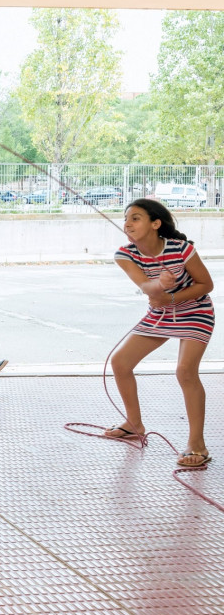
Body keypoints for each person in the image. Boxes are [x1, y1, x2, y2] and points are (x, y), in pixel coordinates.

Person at [104, 199, 214, 468]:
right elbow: (146, 287)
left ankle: (197, 445)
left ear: (155, 224)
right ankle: (134, 424)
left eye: (136, 218)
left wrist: (172, 296)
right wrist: (159, 285)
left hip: (195, 311)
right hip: (161, 313)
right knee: (120, 362)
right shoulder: (125, 254)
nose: (128, 223)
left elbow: (206, 284)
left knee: (185, 372)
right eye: (126, 218)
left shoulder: (181, 249)